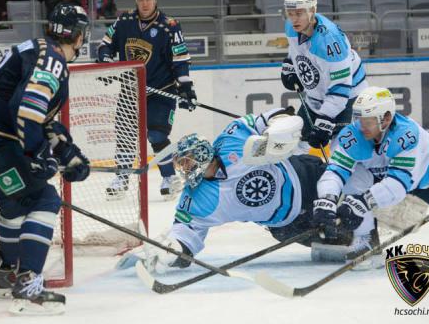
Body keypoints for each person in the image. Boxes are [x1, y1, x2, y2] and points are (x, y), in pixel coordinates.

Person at [0, 4, 91, 315]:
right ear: (79, 35)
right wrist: (34, 153)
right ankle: (28, 284)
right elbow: (28, 107)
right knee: (43, 199)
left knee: (13, 203)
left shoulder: (39, 50)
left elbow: (38, 115)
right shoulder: (54, 58)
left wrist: (66, 153)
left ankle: (8, 275)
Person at [116, 108, 344, 271]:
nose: (184, 169)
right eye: (181, 165)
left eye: (187, 161)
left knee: (359, 203)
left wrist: (277, 131)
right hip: (287, 225)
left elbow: (273, 116)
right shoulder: (196, 198)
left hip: (307, 178)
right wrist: (169, 252)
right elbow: (185, 236)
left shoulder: (232, 138)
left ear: (202, 154)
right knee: (344, 247)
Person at [312, 86, 429, 260]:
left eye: (368, 120)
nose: (361, 125)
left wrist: (363, 202)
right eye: (359, 118)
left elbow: (397, 185)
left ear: (386, 118)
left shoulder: (407, 136)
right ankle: (366, 239)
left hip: (427, 175)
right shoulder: (352, 135)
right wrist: (327, 199)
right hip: (382, 174)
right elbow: (334, 171)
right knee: (351, 180)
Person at [97, 0, 196, 200]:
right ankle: (122, 177)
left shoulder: (169, 25)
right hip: (130, 90)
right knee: (124, 134)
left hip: (161, 91)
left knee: (157, 134)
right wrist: (104, 57)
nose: (145, 3)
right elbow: (105, 43)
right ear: (135, 0)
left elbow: (180, 59)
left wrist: (186, 87)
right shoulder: (124, 21)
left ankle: (169, 177)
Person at [281, 0, 368, 152]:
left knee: (341, 151)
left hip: (349, 96)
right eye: (290, 13)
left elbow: (341, 87)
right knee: (295, 144)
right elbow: (295, 50)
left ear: (312, 10)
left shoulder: (330, 41)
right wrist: (291, 67)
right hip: (316, 95)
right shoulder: (291, 26)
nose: (293, 19)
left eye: (299, 13)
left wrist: (325, 120)